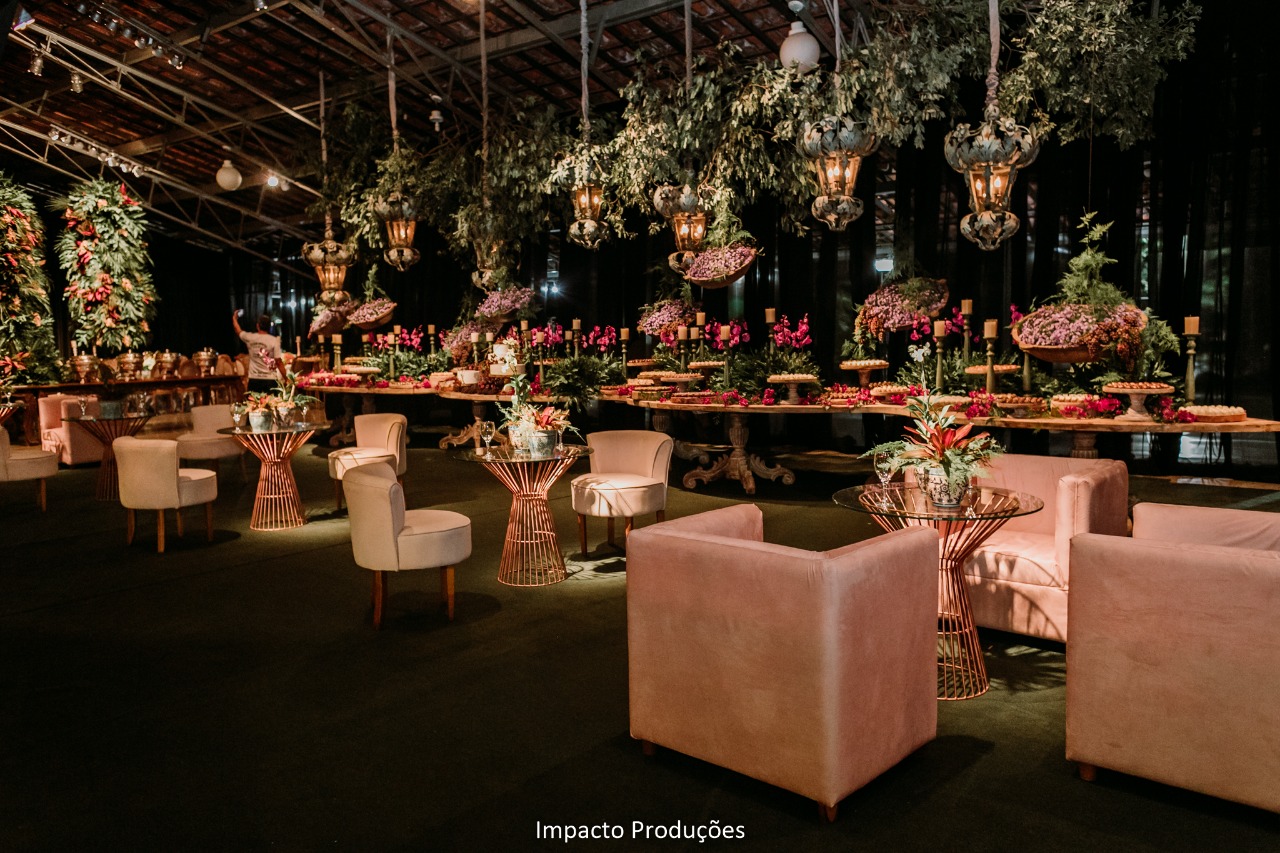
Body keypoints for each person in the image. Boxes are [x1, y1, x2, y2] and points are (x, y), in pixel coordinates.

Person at [232, 310, 284, 393]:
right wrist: (286, 377)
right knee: (272, 401)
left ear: (257, 326)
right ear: (269, 327)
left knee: (253, 401)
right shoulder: (274, 340)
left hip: (254, 380)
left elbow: (238, 330)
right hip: (270, 380)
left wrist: (234, 318)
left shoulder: (250, 338)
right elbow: (278, 362)